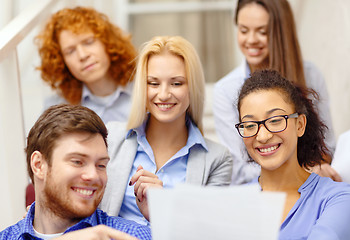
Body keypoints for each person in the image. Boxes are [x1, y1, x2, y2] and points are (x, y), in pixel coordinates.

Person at [100, 36, 233, 225]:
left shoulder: (217, 159)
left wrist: (162, 210)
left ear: (192, 88)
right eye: (153, 83)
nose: (163, 94)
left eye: (176, 83)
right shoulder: (110, 138)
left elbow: (208, 233)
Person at [213, 0, 337, 184]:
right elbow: (239, 171)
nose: (251, 40)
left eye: (262, 31)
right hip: (262, 194)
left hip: (311, 184)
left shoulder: (310, 75)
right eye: (243, 30)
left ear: (281, 32)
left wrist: (315, 170)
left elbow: (327, 148)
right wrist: (297, 172)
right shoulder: (226, 91)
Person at [236, 69, 350, 239]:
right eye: (249, 125)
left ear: (300, 125)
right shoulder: (234, 202)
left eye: (275, 121)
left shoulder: (338, 199)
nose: (262, 136)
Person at [0, 104, 151, 240]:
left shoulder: (134, 236)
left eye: (101, 165)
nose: (93, 176)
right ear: (39, 165)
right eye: (77, 162)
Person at [35, 6, 137, 123]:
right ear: (61, 62)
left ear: (107, 42)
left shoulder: (147, 91)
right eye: (70, 51)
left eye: (89, 42)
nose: (82, 55)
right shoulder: (56, 112)